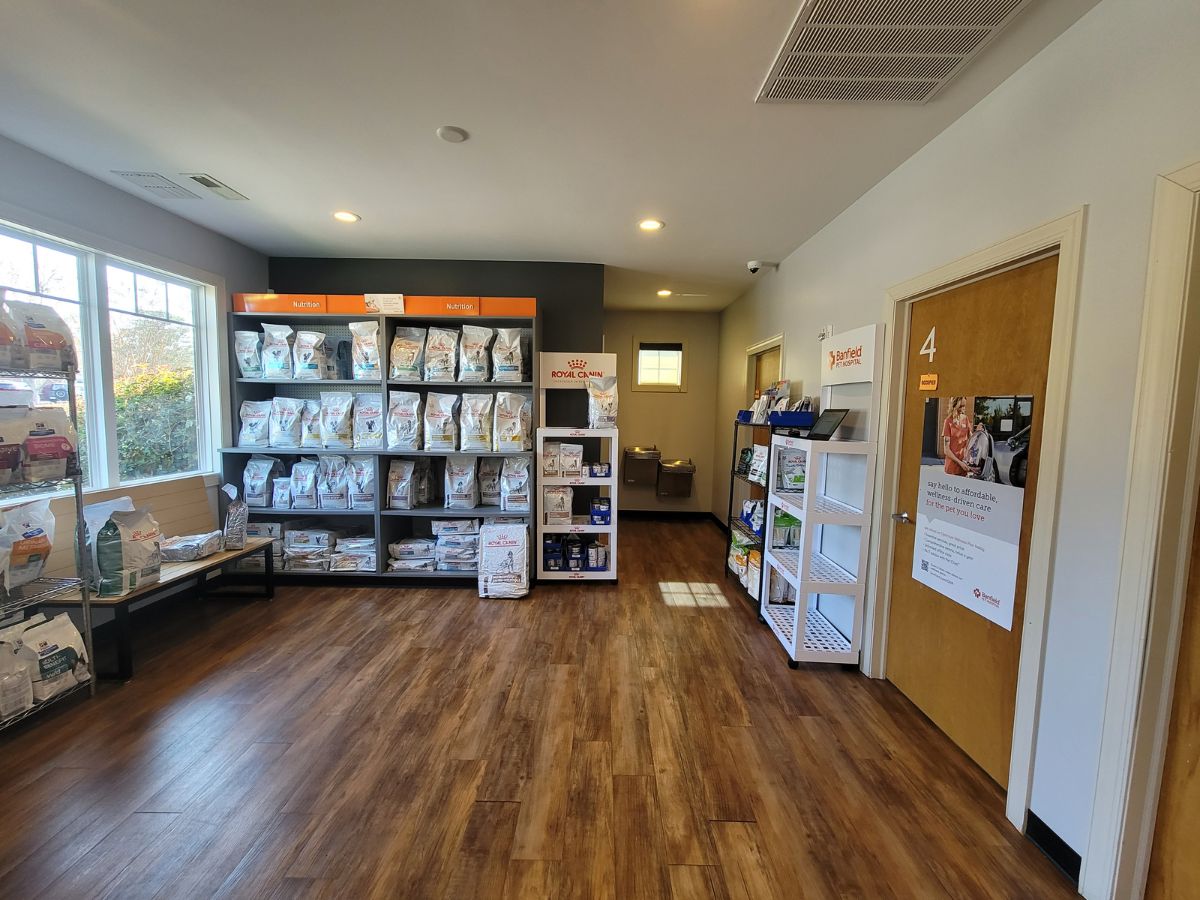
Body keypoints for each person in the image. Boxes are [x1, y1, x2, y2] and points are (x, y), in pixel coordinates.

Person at [941, 396, 971, 476]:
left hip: (964, 467)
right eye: (961, 406)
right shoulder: (948, 422)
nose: (963, 409)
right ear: (954, 406)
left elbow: (971, 440)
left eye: (964, 406)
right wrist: (960, 463)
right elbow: (946, 450)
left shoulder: (965, 419)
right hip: (952, 469)